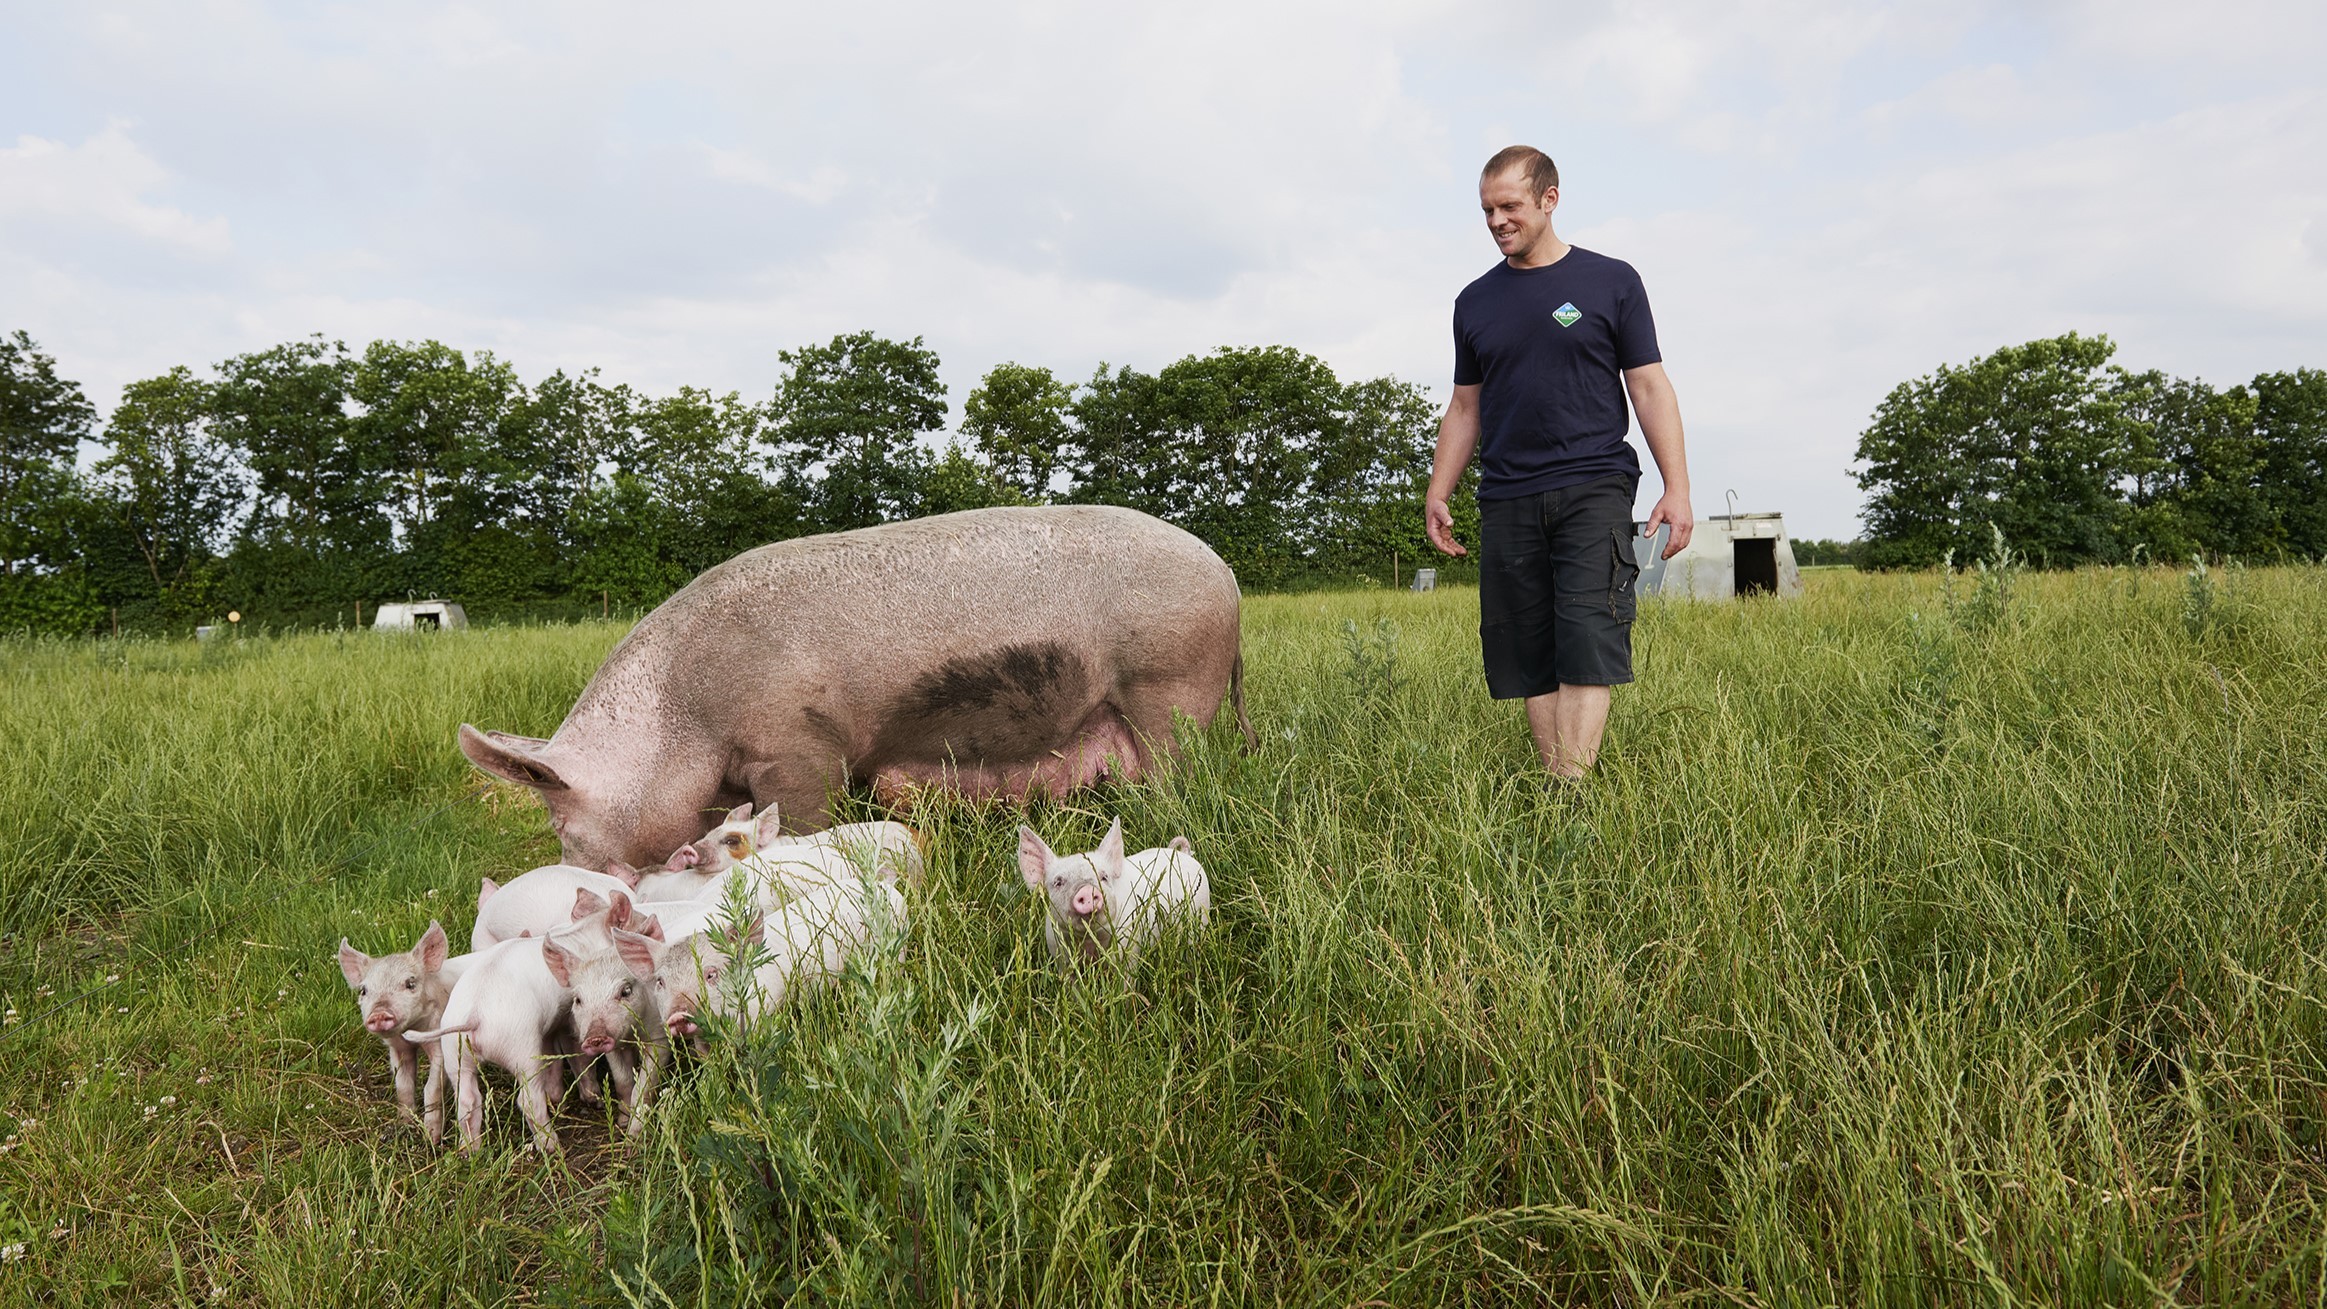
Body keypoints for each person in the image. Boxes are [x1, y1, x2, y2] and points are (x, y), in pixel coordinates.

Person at [1423, 144, 1693, 778]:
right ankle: (1559, 786)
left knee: (1587, 632)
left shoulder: (1611, 281)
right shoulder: (1474, 302)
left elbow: (1649, 386)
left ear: (1550, 199)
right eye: (1487, 210)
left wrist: (1675, 488)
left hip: (1593, 481)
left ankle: (1570, 793)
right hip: (1508, 492)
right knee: (1527, 649)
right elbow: (1466, 407)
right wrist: (1441, 490)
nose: (1496, 221)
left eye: (1509, 206)